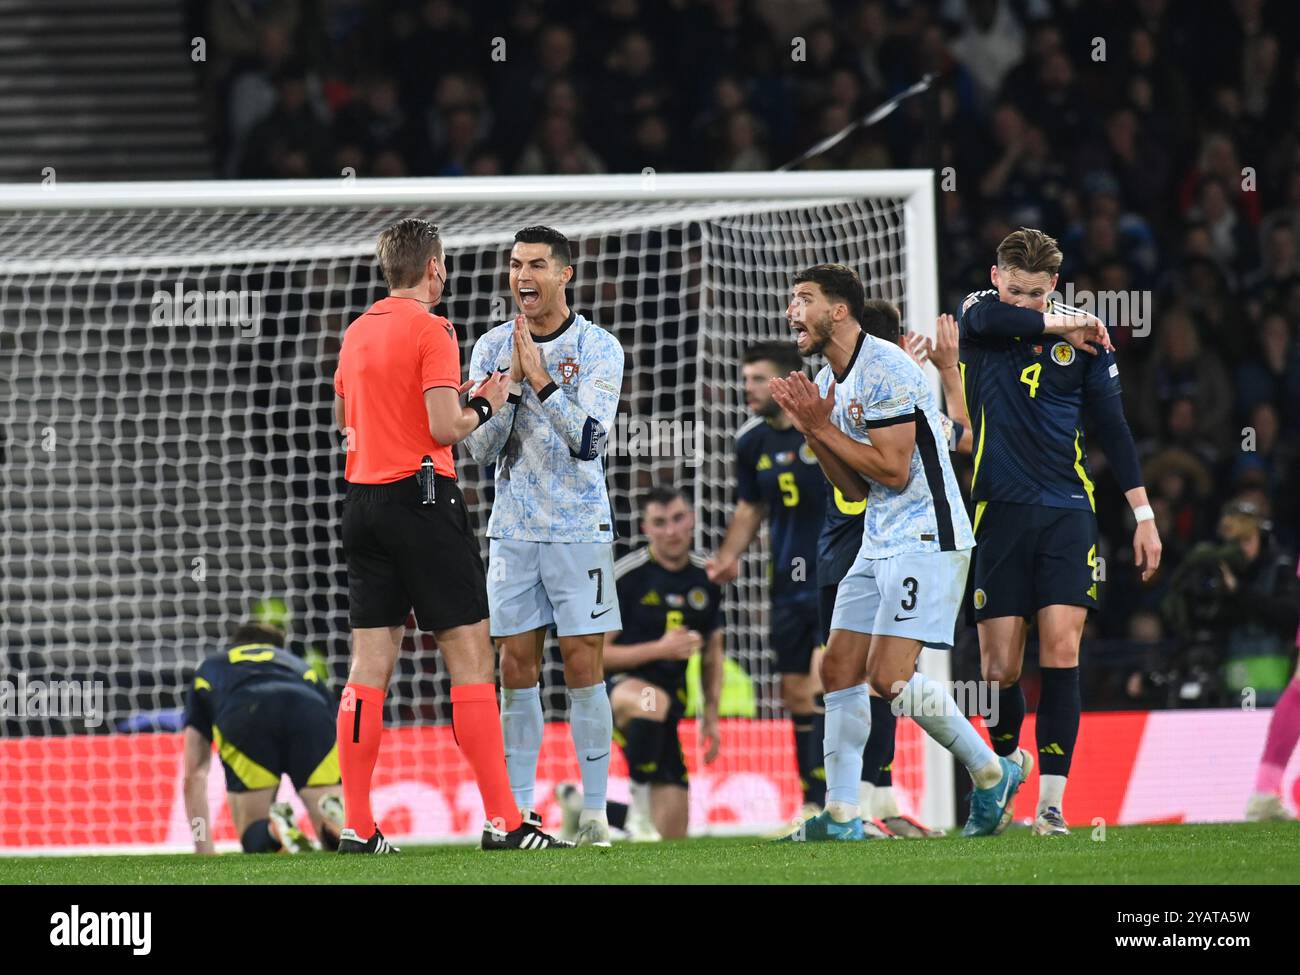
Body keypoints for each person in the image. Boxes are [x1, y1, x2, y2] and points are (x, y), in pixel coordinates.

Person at [771, 262, 1027, 841]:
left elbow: (890, 470)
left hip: (928, 538)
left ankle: (989, 772)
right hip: (881, 537)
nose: (792, 312)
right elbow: (854, 490)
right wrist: (815, 429)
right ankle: (841, 818)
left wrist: (824, 428)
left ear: (839, 310)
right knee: (837, 667)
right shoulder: (838, 382)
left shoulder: (886, 367)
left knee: (889, 678)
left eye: (802, 299)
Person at [333, 217, 563, 852]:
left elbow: (349, 415)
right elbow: (442, 427)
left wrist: (450, 401)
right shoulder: (433, 328)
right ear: (434, 268)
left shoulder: (356, 332)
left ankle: (357, 826)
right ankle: (505, 821)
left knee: (367, 670)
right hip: (423, 498)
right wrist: (487, 398)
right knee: (469, 659)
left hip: (361, 501)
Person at [958, 228, 1161, 836]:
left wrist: (1143, 516)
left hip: (1069, 508)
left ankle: (1051, 804)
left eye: (1036, 294)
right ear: (996, 278)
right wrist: (1057, 324)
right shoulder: (979, 313)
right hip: (998, 509)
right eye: (1014, 289)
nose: (1022, 302)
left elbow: (1115, 431)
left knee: (1062, 649)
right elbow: (996, 322)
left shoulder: (1088, 339)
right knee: (998, 671)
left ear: (1053, 287)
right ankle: (1010, 762)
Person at [463, 225, 626, 846]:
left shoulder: (600, 347)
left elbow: (590, 441)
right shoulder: (489, 348)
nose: (522, 276)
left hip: (580, 528)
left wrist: (540, 381)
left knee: (584, 662)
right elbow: (477, 452)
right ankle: (518, 813)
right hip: (512, 531)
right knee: (515, 668)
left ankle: (593, 816)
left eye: (535, 265)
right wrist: (501, 394)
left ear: (565, 274)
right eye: (513, 265)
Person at [558, 486, 724, 841]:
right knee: (652, 700)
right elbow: (595, 659)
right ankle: (637, 814)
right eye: (660, 522)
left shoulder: (706, 579)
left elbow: (713, 654)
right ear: (646, 527)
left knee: (671, 837)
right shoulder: (627, 576)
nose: (671, 530)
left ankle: (578, 804)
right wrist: (660, 649)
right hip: (622, 695)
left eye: (678, 519)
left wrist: (711, 716)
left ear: (692, 519)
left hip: (669, 707)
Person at [706, 342, 828, 818]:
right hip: (785, 583)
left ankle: (854, 791)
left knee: (827, 682)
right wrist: (727, 558)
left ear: (784, 382)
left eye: (759, 379)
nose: (748, 388)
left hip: (833, 577)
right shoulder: (751, 440)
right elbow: (750, 507)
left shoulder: (821, 425)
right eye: (746, 378)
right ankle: (813, 801)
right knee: (796, 693)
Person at [182, 623, 343, 854]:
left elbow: (193, 775)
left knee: (254, 837)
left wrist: (203, 846)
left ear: (236, 645)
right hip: (309, 710)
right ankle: (337, 825)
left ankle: (271, 830)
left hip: (246, 711)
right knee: (327, 813)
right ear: (278, 649)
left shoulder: (210, 668)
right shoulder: (300, 665)